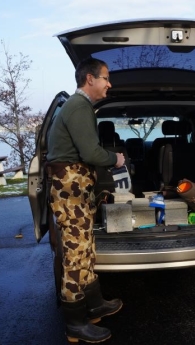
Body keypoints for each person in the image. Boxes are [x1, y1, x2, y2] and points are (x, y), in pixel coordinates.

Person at [46, 57, 125, 343]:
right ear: (90, 79)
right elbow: (91, 153)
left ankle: (94, 304)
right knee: (74, 256)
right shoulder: (79, 106)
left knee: (85, 249)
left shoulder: (80, 106)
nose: (109, 83)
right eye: (106, 78)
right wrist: (115, 159)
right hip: (70, 190)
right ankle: (75, 323)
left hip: (76, 189)